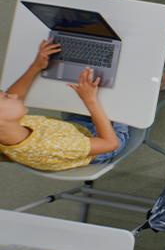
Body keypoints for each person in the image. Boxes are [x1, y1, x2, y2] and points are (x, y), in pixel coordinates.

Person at [0, 41, 129, 171]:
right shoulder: (50, 146)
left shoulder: (7, 131)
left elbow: (15, 94)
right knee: (126, 90)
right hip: (103, 143)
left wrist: (36, 66)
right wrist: (90, 101)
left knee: (95, 81)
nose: (13, 96)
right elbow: (111, 144)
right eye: (5, 97)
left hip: (74, 130)